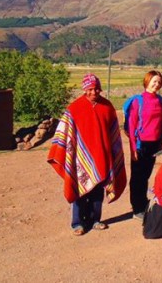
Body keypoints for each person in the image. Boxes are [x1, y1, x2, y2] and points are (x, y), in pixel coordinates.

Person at [47, 74, 127, 236]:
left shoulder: (107, 107)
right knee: (80, 190)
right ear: (84, 89)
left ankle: (95, 219)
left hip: (102, 156)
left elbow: (114, 135)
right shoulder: (75, 108)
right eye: (90, 89)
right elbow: (65, 132)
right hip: (80, 159)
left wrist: (113, 154)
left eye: (96, 88)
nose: (93, 92)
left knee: (97, 191)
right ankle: (78, 223)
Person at [128, 70, 162, 220]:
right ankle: (137, 208)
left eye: (158, 82)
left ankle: (143, 203)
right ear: (147, 81)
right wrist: (132, 148)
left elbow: (160, 122)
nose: (156, 84)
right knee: (138, 177)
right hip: (140, 144)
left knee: (146, 175)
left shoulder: (160, 100)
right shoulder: (138, 101)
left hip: (154, 143)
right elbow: (131, 125)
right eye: (154, 81)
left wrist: (161, 143)